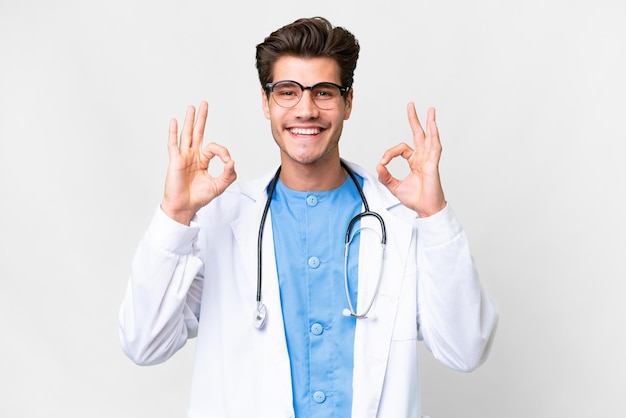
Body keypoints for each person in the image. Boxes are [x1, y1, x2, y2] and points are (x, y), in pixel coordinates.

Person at [119, 16, 498, 418]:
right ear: (265, 103)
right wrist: (176, 214)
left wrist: (435, 216)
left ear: (348, 102)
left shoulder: (401, 222)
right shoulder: (219, 222)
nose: (306, 109)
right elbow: (144, 343)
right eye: (287, 91)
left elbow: (465, 349)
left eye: (323, 92)